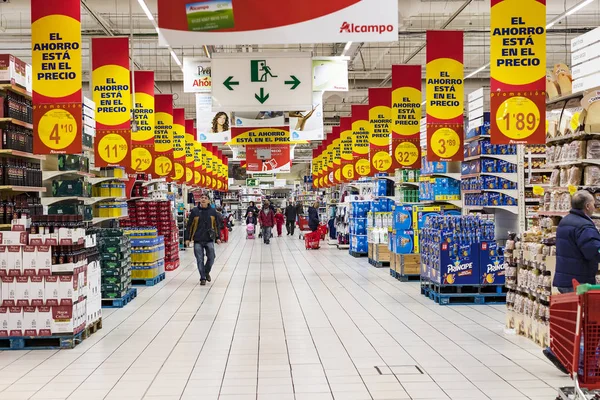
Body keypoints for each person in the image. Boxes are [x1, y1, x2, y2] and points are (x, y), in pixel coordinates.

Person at [543, 190, 600, 373]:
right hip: (579, 281)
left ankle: (560, 352)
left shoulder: (566, 221)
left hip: (565, 277)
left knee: (572, 319)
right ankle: (578, 362)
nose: (595, 206)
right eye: (594, 203)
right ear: (587, 206)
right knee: (585, 322)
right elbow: (592, 251)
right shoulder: (584, 226)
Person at [185, 193, 222, 286]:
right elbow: (189, 226)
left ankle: (206, 272)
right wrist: (187, 238)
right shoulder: (195, 211)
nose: (203, 199)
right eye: (202, 198)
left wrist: (218, 237)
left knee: (212, 257)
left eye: (205, 198)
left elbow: (217, 225)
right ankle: (203, 278)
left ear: (209, 201)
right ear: (199, 200)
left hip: (209, 239)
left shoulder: (213, 212)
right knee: (199, 259)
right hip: (197, 239)